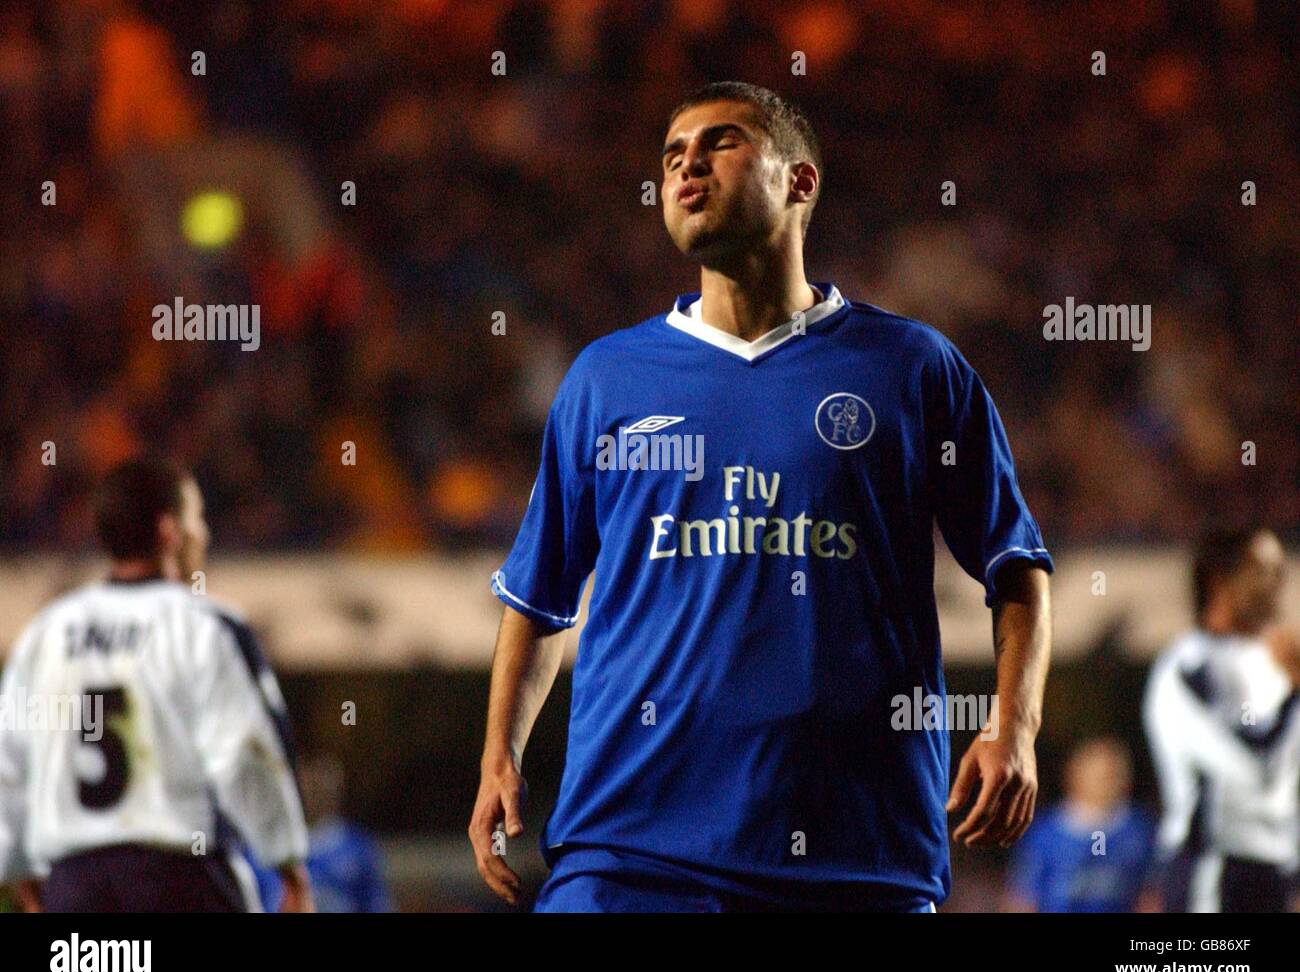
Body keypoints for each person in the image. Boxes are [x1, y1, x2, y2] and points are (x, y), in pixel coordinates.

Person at [469, 81, 1053, 913]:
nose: (686, 166)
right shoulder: (607, 379)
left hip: (857, 855)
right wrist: (501, 755)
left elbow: (1016, 565)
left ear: (800, 182)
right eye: (672, 155)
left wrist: (1014, 727)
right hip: (629, 850)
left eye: (720, 143)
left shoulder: (912, 368)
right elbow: (539, 595)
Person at [0, 457, 312, 912]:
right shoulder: (204, 627)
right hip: (181, 879)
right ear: (170, 532)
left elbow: (7, 766)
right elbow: (243, 753)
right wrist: (288, 864)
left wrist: (18, 872)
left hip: (75, 886)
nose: (202, 534)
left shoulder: (45, 633)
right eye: (196, 518)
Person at [1143, 525, 1300, 912]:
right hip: (1215, 868)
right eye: (1263, 569)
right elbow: (1254, 766)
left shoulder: (1274, 661)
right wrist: (1297, 691)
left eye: (1281, 570)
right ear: (1219, 579)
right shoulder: (1190, 665)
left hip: (1278, 871)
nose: (1278, 582)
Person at [1004, 737, 1156, 912]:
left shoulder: (1139, 829)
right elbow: (1022, 898)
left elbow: (1149, 894)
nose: (1109, 782)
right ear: (1074, 774)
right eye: (1101, 775)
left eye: (1115, 773)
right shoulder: (1045, 834)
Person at [250, 751, 391, 912]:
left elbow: (375, 904)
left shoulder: (357, 849)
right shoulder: (265, 846)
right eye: (310, 786)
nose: (314, 793)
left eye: (321, 786)